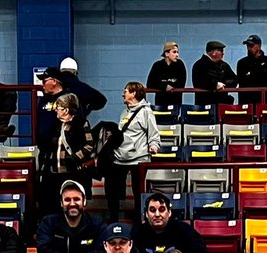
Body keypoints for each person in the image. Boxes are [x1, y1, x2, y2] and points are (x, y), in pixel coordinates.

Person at [104, 82, 161, 223]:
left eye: (126, 91)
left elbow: (154, 133)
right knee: (113, 190)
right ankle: (114, 220)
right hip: (120, 157)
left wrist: (154, 146)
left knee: (138, 192)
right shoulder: (125, 112)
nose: (123, 94)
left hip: (139, 159)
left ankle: (138, 221)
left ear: (134, 93)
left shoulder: (146, 112)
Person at [38, 93, 96, 218]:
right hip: (54, 172)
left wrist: (75, 158)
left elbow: (89, 145)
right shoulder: (55, 125)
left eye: (58, 108)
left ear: (66, 110)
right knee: (52, 204)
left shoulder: (81, 124)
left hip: (72, 171)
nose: (56, 111)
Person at [36, 179, 105, 253]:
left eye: (76, 199)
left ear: (84, 201)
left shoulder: (97, 224)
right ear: (61, 203)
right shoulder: (48, 222)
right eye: (67, 200)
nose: (72, 204)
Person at [132, 192, 209, 253]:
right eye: (152, 210)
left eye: (162, 210)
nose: (157, 214)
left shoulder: (183, 229)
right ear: (147, 214)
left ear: (169, 212)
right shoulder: (137, 232)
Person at [192, 40, 238, 106]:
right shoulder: (199, 65)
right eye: (221, 51)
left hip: (222, 103)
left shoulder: (224, 65)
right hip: (205, 104)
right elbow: (199, 82)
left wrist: (224, 84)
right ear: (214, 52)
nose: (223, 53)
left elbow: (234, 80)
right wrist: (215, 85)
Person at [147, 41, 188, 107]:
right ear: (166, 53)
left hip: (175, 101)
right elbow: (150, 83)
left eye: (177, 52)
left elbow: (182, 82)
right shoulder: (157, 65)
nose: (177, 55)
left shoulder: (180, 64)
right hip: (160, 102)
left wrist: (171, 86)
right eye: (174, 52)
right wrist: (165, 87)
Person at [237, 35, 267, 105]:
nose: (249, 48)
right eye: (247, 46)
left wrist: (251, 74)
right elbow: (242, 80)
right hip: (246, 101)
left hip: (263, 100)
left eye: (251, 46)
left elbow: (266, 78)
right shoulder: (242, 63)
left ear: (259, 46)